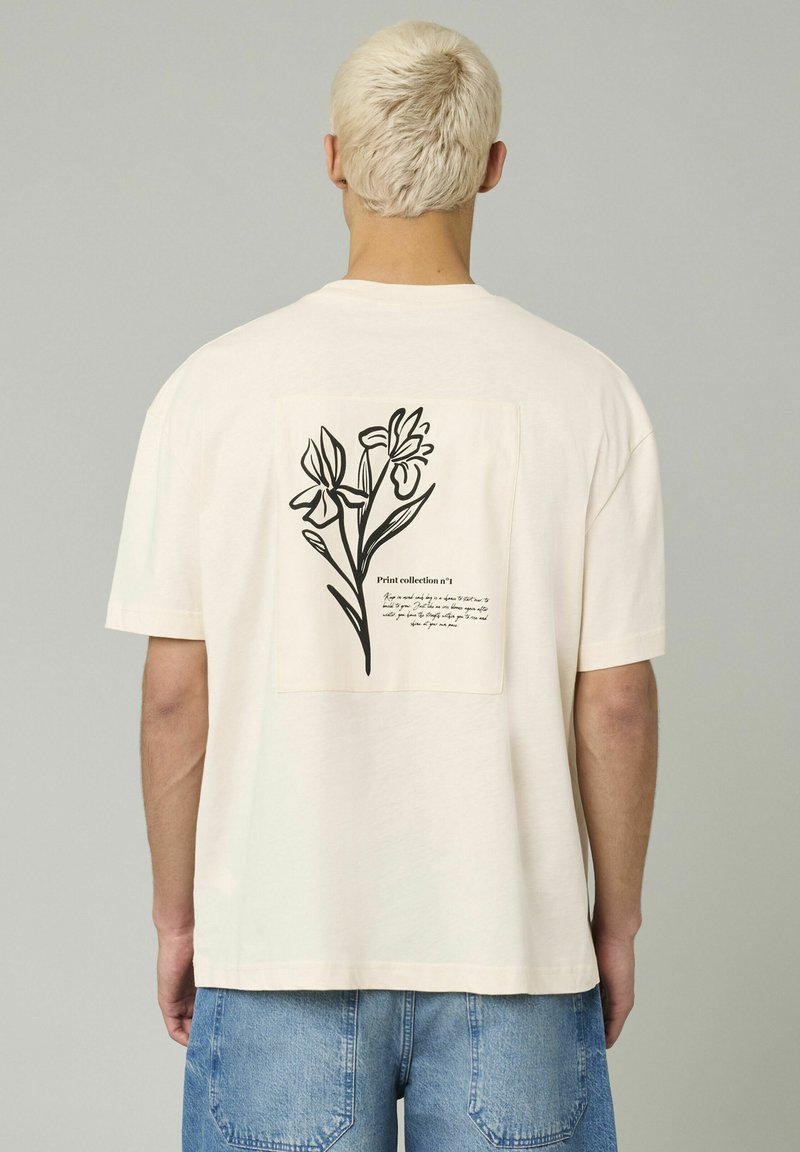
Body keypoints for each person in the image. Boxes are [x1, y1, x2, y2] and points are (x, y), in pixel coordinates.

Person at [104, 19, 664, 1152]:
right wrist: (612, 921)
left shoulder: (211, 390)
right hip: (514, 948)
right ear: (492, 167)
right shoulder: (587, 393)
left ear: (334, 160)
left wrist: (177, 917)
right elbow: (614, 702)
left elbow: (174, 694)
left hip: (278, 940)